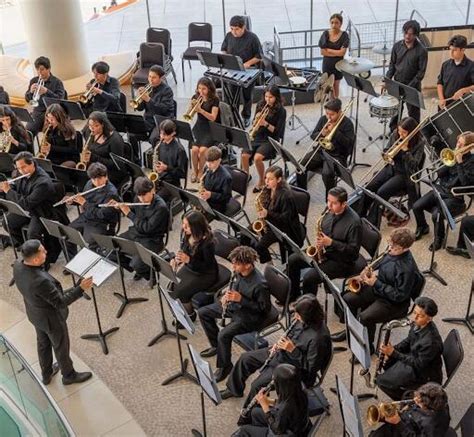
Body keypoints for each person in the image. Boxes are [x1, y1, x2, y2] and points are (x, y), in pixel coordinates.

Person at [221, 295, 331, 409]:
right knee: (245, 358)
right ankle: (234, 389)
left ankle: (249, 417)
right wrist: (279, 344)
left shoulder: (319, 338)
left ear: (309, 316)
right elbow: (292, 333)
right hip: (283, 353)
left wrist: (293, 350)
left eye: (299, 315)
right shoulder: (303, 320)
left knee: (257, 385)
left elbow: (311, 368)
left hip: (295, 369)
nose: (296, 317)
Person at [13, 240, 93, 385]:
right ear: (36, 259)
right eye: (43, 251)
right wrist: (81, 289)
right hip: (51, 318)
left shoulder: (19, 264)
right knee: (61, 346)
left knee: (43, 344)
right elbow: (60, 302)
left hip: (35, 314)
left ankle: (46, 373)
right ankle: (69, 375)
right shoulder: (39, 281)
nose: (46, 252)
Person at [339, 228, 422, 352]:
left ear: (404, 248)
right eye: (389, 244)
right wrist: (368, 270)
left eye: (393, 247)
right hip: (379, 287)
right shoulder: (392, 250)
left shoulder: (407, 269)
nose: (389, 248)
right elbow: (382, 260)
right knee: (348, 298)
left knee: (365, 317)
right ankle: (351, 330)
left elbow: (399, 295)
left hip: (394, 303)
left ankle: (368, 347)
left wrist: (376, 283)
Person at [198, 246, 273, 382]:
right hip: (234, 306)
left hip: (250, 316)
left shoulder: (260, 285)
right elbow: (235, 285)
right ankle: (217, 346)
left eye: (236, 264)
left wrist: (241, 299)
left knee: (224, 334)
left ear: (248, 265)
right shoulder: (239, 272)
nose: (233, 266)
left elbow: (264, 309)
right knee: (203, 312)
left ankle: (225, 366)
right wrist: (226, 295)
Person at [287, 186, 362, 301]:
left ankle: (309, 307)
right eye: (328, 201)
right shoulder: (328, 211)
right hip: (326, 251)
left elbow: (353, 253)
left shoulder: (354, 223)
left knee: (309, 278)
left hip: (341, 261)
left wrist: (331, 243)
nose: (329, 206)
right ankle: (294, 295)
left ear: (344, 204)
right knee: (293, 259)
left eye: (334, 203)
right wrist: (321, 243)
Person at [0, 151, 68, 266]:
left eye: (24, 167)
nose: (21, 171)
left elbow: (26, 204)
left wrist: (8, 191)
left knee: (32, 234)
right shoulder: (22, 173)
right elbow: (18, 186)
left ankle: (42, 262)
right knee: (8, 223)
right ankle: (27, 250)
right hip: (30, 209)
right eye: (18, 168)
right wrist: (10, 186)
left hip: (42, 212)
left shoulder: (43, 182)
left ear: (33, 164)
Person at [355, 117, 425, 227]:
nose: (400, 134)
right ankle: (359, 214)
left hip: (404, 174)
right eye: (399, 130)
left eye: (404, 132)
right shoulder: (395, 134)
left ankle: (371, 222)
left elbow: (414, 165)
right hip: (391, 167)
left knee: (381, 192)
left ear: (411, 132)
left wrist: (406, 151)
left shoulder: (420, 143)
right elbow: (387, 148)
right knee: (369, 186)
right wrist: (388, 153)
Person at [413, 131, 474, 251]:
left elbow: (466, 183)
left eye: (461, 144)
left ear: (470, 146)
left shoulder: (472, 162)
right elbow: (440, 174)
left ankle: (439, 239)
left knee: (437, 214)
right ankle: (422, 227)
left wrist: (460, 162)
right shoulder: (454, 154)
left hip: (455, 197)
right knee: (416, 206)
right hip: (441, 190)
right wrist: (449, 161)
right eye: (458, 142)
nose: (457, 146)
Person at [375, 297, 443, 401]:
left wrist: (394, 353)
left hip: (425, 373)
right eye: (414, 312)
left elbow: (418, 364)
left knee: (381, 382)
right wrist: (392, 349)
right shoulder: (417, 324)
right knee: (388, 363)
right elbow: (408, 340)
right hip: (415, 357)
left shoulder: (431, 343)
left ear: (429, 319)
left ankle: (405, 400)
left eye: (420, 316)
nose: (414, 318)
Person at [109, 177, 169, 281]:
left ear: (152, 190)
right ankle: (136, 268)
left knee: (137, 264)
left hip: (152, 239)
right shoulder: (138, 198)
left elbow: (147, 228)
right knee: (112, 249)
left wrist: (129, 214)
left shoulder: (161, 208)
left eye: (144, 195)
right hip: (136, 232)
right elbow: (133, 209)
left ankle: (150, 275)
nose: (141, 199)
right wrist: (119, 207)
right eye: (139, 195)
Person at [245, 165, 305, 264]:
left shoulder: (286, 196)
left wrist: (267, 213)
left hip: (282, 228)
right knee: (245, 233)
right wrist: (262, 211)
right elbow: (266, 205)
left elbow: (285, 219)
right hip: (269, 221)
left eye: (270, 179)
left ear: (279, 179)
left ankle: (270, 266)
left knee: (260, 246)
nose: (266, 181)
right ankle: (247, 260)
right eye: (266, 178)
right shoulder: (268, 189)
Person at [233, 364, 313, 436]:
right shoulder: (301, 392)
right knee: (255, 412)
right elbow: (289, 406)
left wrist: (265, 406)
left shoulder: (285, 409)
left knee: (244, 430)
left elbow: (277, 430)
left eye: (275, 380)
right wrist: (269, 401)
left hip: (283, 433)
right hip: (295, 425)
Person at [296, 98, 355, 195]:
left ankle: (330, 201)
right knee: (300, 165)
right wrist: (322, 133)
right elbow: (313, 136)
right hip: (321, 151)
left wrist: (335, 132)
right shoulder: (324, 119)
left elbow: (348, 145)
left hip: (337, 155)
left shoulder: (348, 124)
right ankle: (302, 193)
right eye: (327, 113)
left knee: (327, 174)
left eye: (332, 114)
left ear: (339, 112)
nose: (329, 117)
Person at [169, 210, 219, 319]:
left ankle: (190, 315)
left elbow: (207, 266)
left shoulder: (208, 243)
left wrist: (188, 260)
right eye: (183, 224)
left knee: (182, 293)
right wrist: (177, 259)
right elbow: (184, 248)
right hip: (190, 266)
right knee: (172, 287)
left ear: (196, 227)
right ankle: (180, 313)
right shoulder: (187, 233)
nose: (183, 227)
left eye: (187, 225)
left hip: (206, 274)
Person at [65, 162, 119, 257]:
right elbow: (84, 199)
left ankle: (93, 267)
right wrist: (73, 201)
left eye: (100, 178)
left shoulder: (111, 193)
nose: (97, 182)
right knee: (67, 233)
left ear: (106, 176)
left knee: (91, 241)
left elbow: (101, 214)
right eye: (94, 179)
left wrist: (84, 203)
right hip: (87, 217)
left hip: (101, 222)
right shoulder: (89, 183)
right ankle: (72, 262)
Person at [241, 85, 286, 192]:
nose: (267, 99)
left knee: (257, 158)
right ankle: (246, 176)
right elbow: (254, 123)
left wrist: (265, 123)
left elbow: (277, 132)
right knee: (244, 155)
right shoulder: (261, 105)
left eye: (270, 97)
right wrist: (256, 120)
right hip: (257, 135)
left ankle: (262, 180)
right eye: (266, 96)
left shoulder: (281, 110)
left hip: (271, 139)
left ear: (276, 97)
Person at [221, 15, 262, 127]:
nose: (234, 32)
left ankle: (246, 116)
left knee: (247, 96)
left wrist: (247, 64)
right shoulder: (229, 36)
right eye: (232, 29)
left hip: (248, 71)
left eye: (237, 29)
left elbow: (259, 56)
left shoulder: (253, 38)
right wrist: (227, 58)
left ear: (243, 27)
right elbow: (223, 49)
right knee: (232, 96)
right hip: (233, 70)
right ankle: (234, 116)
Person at [369, 382, 451, 437]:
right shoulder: (437, 398)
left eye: (419, 402)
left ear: (427, 408)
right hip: (410, 421)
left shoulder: (431, 426)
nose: (415, 399)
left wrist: (398, 423)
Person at [385, 20, 427, 124]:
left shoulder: (422, 51)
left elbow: (420, 73)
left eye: (411, 34)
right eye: (406, 33)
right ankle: (394, 132)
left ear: (416, 35)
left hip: (412, 87)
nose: (407, 36)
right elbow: (392, 65)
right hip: (397, 83)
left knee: (413, 115)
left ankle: (414, 135)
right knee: (395, 110)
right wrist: (387, 80)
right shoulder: (397, 46)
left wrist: (408, 87)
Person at [133, 65, 174, 146]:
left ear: (161, 78)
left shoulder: (167, 91)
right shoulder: (147, 88)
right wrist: (138, 98)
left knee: (154, 138)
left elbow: (163, 110)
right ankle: (135, 158)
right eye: (149, 76)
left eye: (154, 77)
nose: (150, 80)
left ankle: (155, 157)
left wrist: (148, 100)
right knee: (132, 135)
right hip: (148, 120)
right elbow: (140, 109)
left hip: (161, 121)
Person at [83, 111, 127, 186]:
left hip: (111, 171)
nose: (92, 129)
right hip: (95, 167)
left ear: (103, 125)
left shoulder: (115, 140)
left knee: (91, 181)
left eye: (96, 126)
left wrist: (94, 158)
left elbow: (117, 165)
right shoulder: (88, 131)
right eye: (90, 125)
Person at [25, 56, 66, 136]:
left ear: (49, 69)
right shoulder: (34, 81)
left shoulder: (57, 82)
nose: (39, 72)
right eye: (37, 69)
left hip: (53, 112)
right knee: (28, 131)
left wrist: (47, 91)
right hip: (38, 111)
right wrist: (30, 92)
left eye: (42, 69)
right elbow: (28, 99)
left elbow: (60, 100)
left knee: (50, 132)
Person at [190, 77, 220, 182]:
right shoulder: (196, 96)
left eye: (204, 89)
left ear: (209, 89)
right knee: (194, 150)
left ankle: (201, 171)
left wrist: (201, 110)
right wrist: (192, 109)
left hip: (210, 128)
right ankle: (195, 170)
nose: (201, 91)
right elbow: (192, 113)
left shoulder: (215, 100)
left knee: (202, 151)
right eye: (199, 88)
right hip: (199, 126)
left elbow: (213, 117)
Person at [151, 119, 188, 204]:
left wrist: (167, 168)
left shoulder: (180, 150)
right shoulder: (159, 145)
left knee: (155, 200)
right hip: (159, 178)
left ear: (173, 133)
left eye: (165, 134)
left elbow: (181, 173)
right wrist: (157, 168)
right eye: (160, 133)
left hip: (172, 183)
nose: (161, 137)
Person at [437, 35, 474, 109]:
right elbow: (440, 83)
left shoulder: (471, 66)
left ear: (462, 50)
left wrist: (464, 90)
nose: (451, 52)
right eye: (450, 49)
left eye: (454, 50)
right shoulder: (445, 65)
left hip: (462, 106)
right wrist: (441, 99)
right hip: (444, 105)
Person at [318, 13, 350, 99]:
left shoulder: (344, 35)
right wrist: (336, 52)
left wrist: (328, 50)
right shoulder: (325, 34)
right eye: (332, 22)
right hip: (327, 64)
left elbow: (342, 53)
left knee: (336, 85)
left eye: (336, 23)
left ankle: (335, 103)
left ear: (341, 24)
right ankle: (329, 104)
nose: (334, 25)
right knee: (327, 86)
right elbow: (322, 52)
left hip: (338, 65)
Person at [200, 146, 232, 213]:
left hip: (218, 205)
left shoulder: (226, 177)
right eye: (207, 161)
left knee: (197, 221)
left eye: (212, 162)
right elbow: (204, 183)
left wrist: (211, 195)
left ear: (219, 160)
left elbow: (227, 198)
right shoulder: (207, 168)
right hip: (207, 199)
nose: (208, 165)